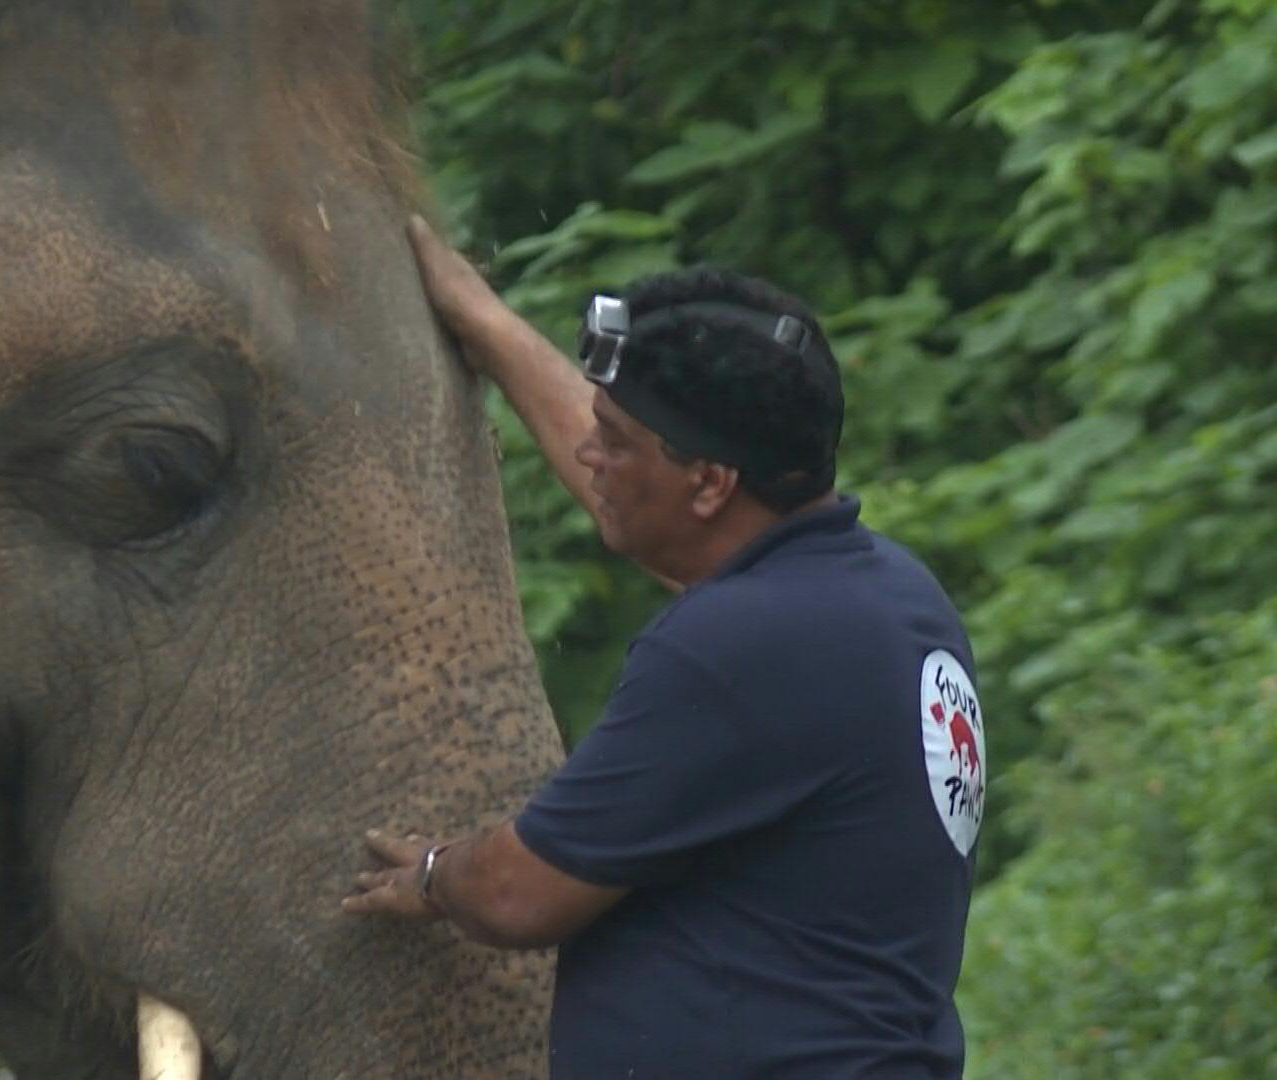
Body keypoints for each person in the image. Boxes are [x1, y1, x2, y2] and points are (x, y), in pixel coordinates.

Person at [342, 217, 986, 1079]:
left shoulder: (732, 651)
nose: (588, 452)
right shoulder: (882, 598)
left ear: (711, 483)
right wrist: (482, 323)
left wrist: (431, 874)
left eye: (616, 441)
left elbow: (517, 893)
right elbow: (654, 508)